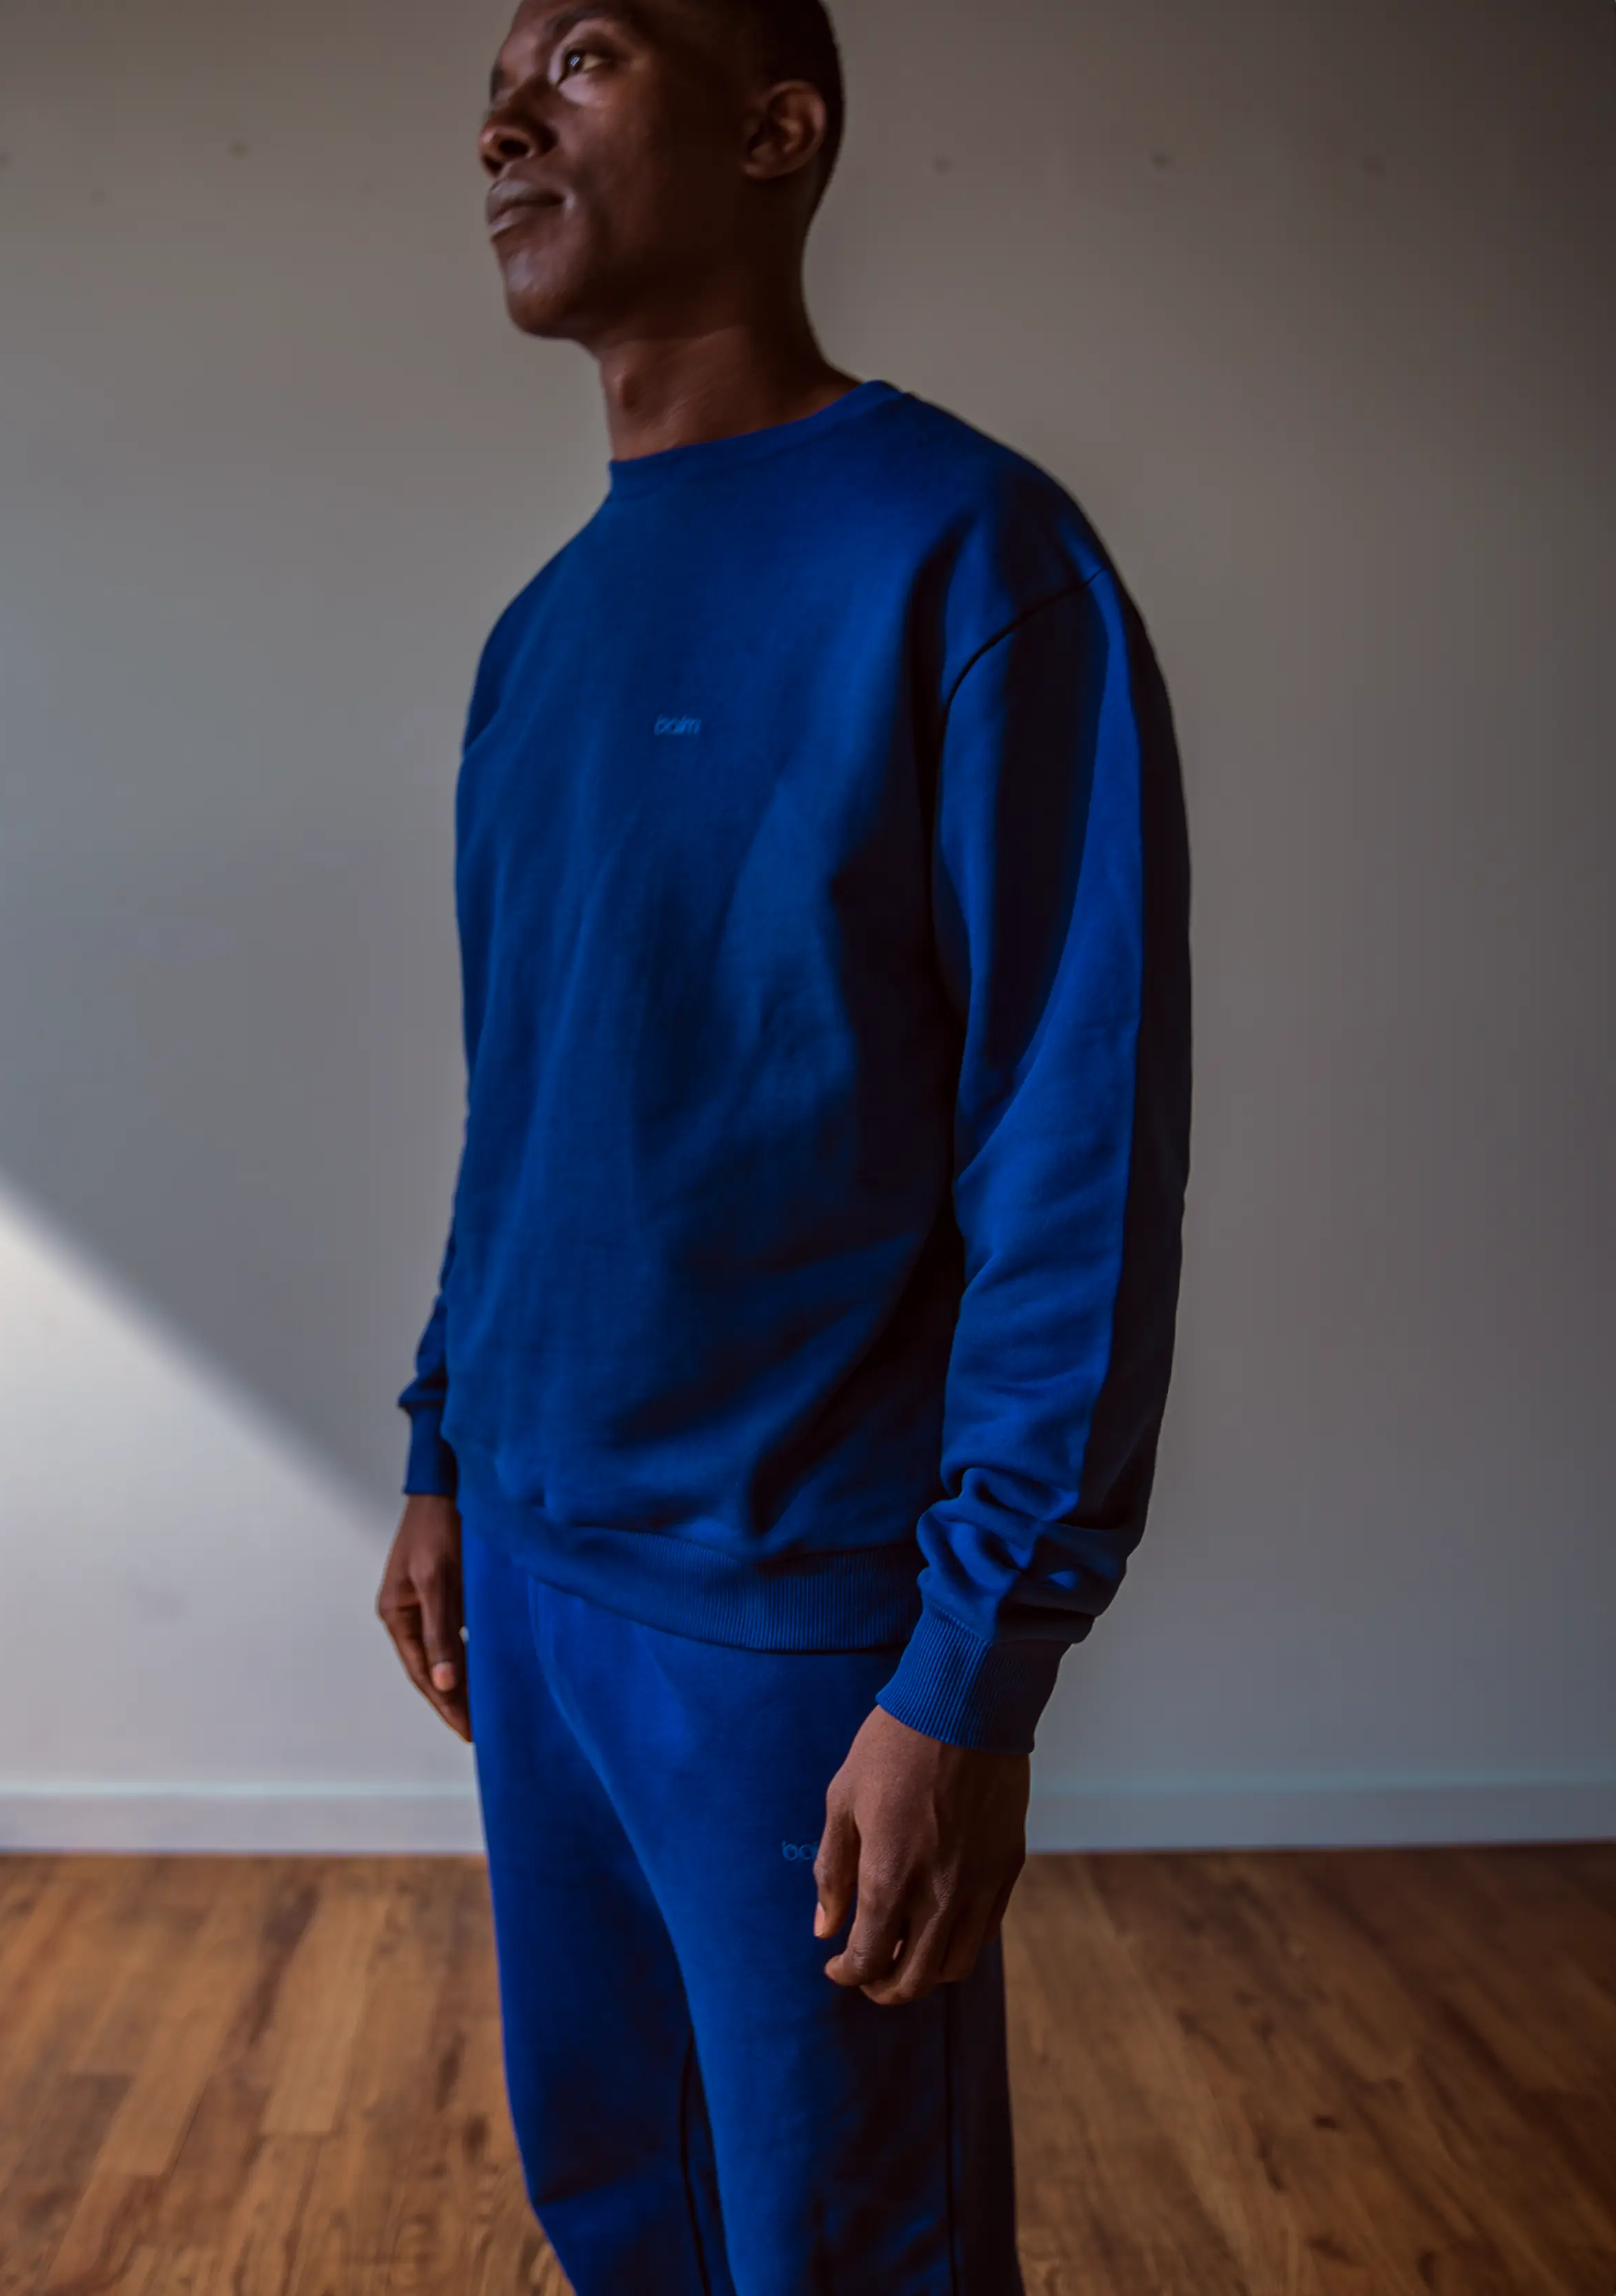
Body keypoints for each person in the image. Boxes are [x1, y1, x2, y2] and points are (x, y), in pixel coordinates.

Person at [376, 0, 1190, 2286]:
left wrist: (964, 1670)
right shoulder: (535, 646)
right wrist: (445, 1439)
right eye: (500, 69)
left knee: (846, 2254)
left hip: (800, 1627)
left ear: (777, 125)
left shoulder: (972, 560)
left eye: (589, 52)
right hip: (536, 1591)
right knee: (616, 2209)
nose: (503, 113)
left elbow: (1077, 1145)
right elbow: (527, 1092)